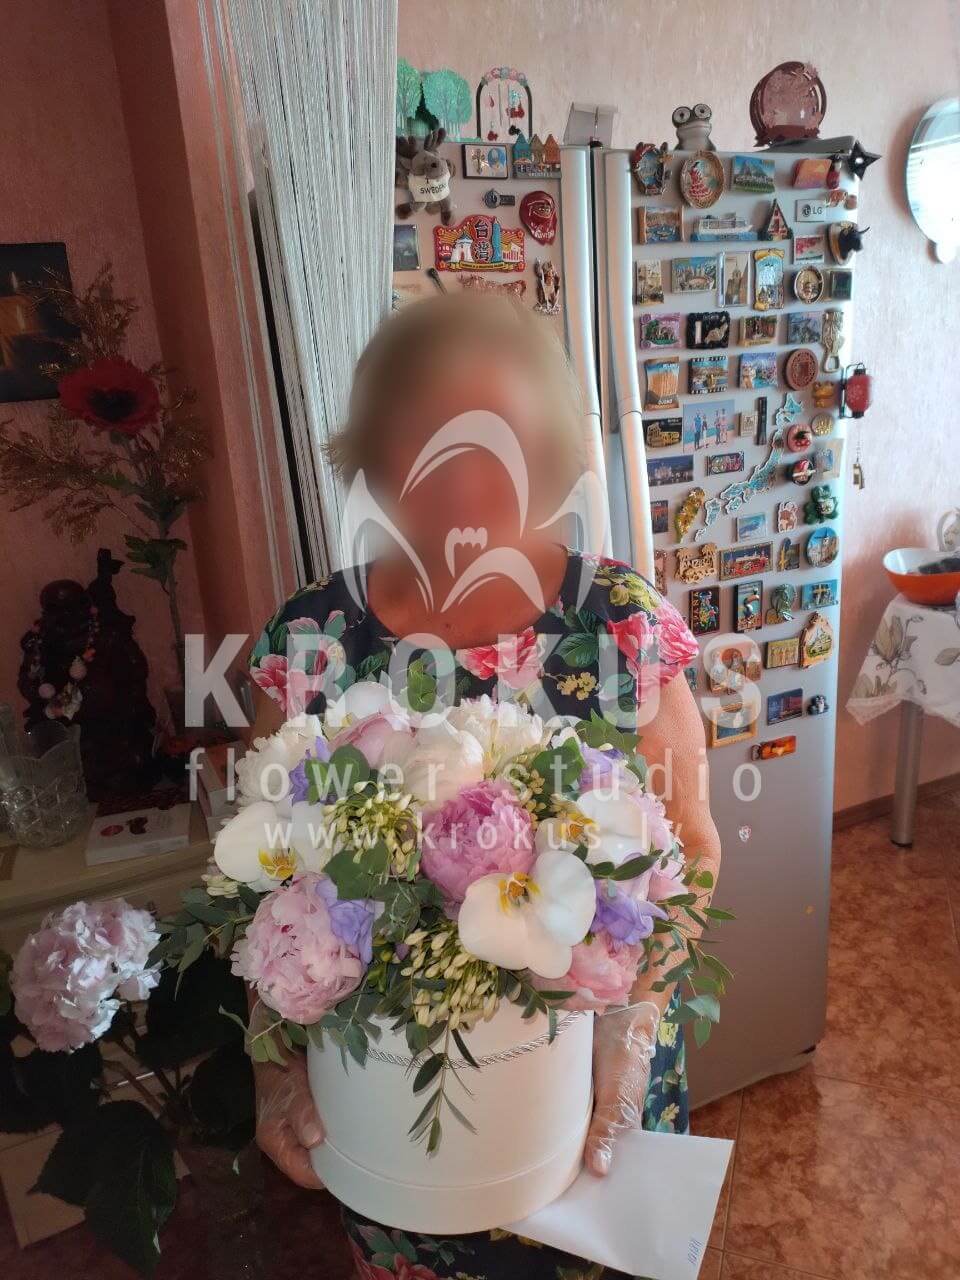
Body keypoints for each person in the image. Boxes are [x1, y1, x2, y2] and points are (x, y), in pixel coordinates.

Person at [245, 294, 722, 1279]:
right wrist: (271, 1066)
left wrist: (630, 1037)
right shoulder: (309, 641)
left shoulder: (620, 622)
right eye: (425, 434)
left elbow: (694, 845)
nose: (462, 474)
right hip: (391, 1122)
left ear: (546, 452)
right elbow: (260, 883)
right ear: (373, 452)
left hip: (588, 1103)